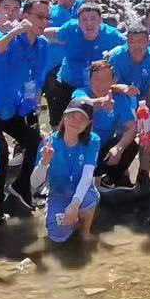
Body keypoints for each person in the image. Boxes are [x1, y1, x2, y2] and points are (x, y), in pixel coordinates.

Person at [0, 0, 50, 219]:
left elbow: (37, 78)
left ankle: (20, 187)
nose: (44, 21)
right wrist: (14, 32)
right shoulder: (9, 38)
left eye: (47, 18)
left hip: (15, 106)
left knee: (35, 142)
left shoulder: (42, 44)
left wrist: (34, 103)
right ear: (24, 16)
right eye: (39, 16)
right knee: (0, 151)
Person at [35, 96, 102, 244]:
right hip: (57, 193)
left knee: (88, 198)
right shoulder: (49, 142)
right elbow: (34, 183)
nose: (76, 122)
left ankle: (85, 230)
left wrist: (74, 204)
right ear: (64, 116)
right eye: (72, 116)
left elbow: (87, 176)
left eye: (82, 119)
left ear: (89, 123)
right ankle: (68, 219)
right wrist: (44, 162)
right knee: (57, 237)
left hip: (81, 192)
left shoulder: (93, 140)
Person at [72, 59, 139, 188]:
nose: (101, 83)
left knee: (131, 145)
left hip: (103, 149)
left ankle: (112, 177)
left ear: (113, 81)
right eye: (96, 78)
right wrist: (101, 102)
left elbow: (131, 127)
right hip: (80, 150)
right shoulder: (80, 93)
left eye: (106, 78)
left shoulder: (119, 99)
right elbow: (81, 104)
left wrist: (118, 148)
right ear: (89, 79)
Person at [108, 21, 150, 112]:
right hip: (119, 100)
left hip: (145, 101)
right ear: (127, 42)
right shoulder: (116, 57)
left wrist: (143, 112)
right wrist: (124, 89)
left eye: (140, 41)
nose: (136, 46)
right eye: (132, 42)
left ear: (148, 41)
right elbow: (107, 85)